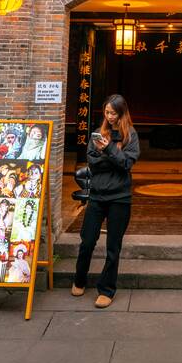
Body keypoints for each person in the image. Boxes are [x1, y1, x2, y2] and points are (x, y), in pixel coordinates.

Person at [71, 94, 139, 308]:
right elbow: (92, 161)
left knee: (113, 247)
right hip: (98, 196)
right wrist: (113, 157)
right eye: (106, 112)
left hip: (120, 198)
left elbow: (127, 163)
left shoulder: (131, 136)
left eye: (112, 113)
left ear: (121, 113)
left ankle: (107, 290)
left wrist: (108, 150)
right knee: (88, 240)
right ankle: (79, 279)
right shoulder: (99, 133)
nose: (108, 116)